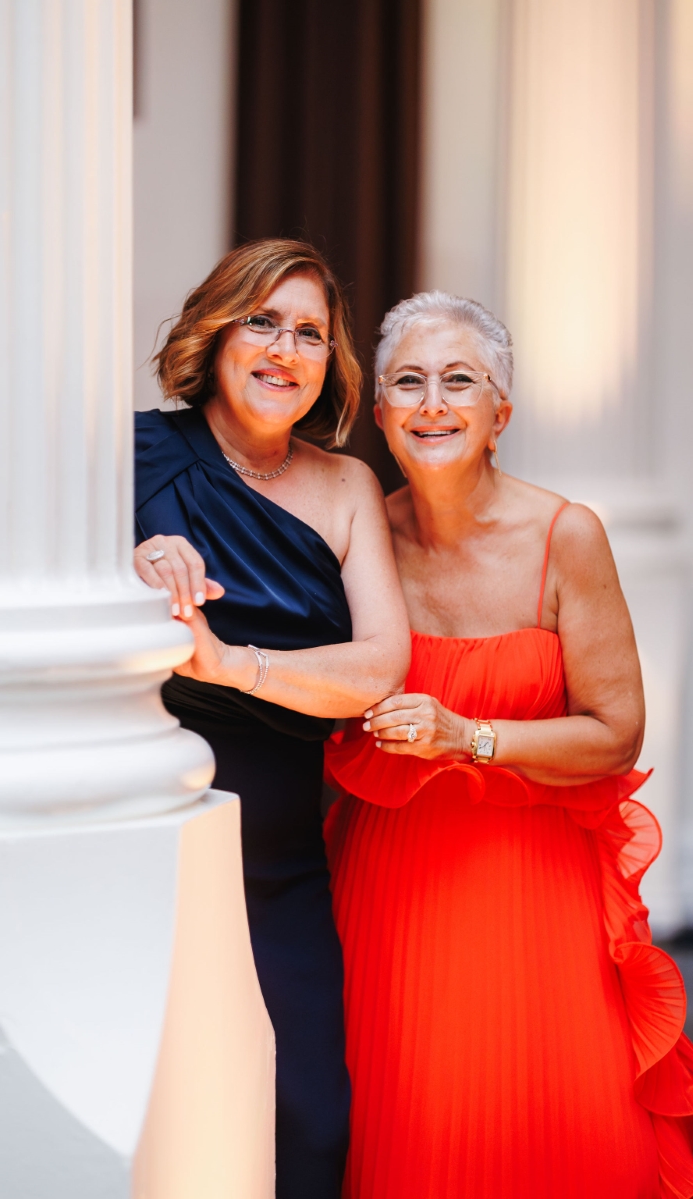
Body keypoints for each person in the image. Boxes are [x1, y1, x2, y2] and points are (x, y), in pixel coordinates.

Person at [324, 291, 693, 1199]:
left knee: (564, 1133)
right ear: (379, 415)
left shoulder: (564, 536)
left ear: (501, 415)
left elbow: (616, 733)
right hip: (388, 894)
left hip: (538, 897)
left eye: (460, 381)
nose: (432, 403)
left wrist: (466, 735)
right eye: (407, 382)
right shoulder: (361, 532)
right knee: (403, 1133)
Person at [133, 240, 410, 1199]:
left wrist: (230, 663)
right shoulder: (130, 458)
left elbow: (378, 666)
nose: (284, 347)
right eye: (262, 320)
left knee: (310, 1119)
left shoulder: (345, 487)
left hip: (286, 857)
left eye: (310, 332)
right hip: (154, 842)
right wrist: (128, 572)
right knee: (168, 1115)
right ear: (215, 333)